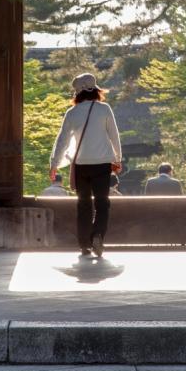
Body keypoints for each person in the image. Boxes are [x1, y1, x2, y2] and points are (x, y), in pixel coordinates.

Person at [49, 72, 122, 258]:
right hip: (102, 164)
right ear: (96, 90)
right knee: (102, 203)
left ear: (77, 93)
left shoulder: (72, 113)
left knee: (83, 205)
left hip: (81, 164)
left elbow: (62, 141)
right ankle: (98, 234)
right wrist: (118, 159)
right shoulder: (104, 109)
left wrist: (54, 164)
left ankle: (84, 245)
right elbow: (114, 135)